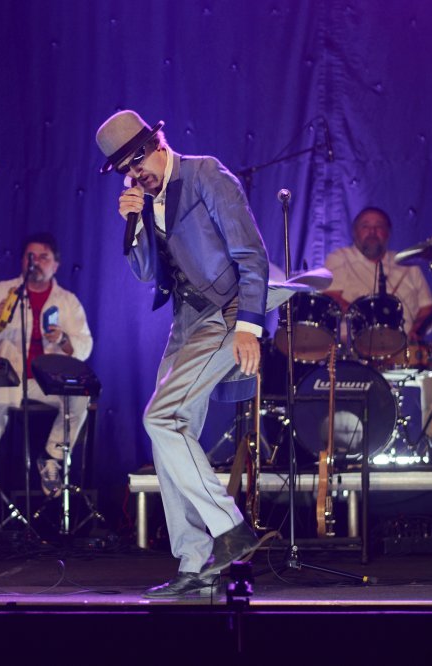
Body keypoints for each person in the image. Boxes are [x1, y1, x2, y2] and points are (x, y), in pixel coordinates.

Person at [95, 110, 267, 598]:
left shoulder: (205, 173)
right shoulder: (146, 197)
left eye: (138, 161)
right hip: (186, 321)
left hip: (226, 311)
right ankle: (195, 562)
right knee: (168, 435)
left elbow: (251, 254)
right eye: (125, 169)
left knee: (161, 418)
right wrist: (133, 224)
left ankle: (231, 529)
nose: (136, 173)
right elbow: (146, 272)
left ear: (158, 143)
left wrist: (249, 326)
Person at [0, 232, 93, 532]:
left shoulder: (67, 301)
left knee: (81, 395)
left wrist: (62, 339)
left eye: (43, 257)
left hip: (45, 383)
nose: (35, 262)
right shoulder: (3, 291)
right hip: (7, 381)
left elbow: (84, 348)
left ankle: (52, 457)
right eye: (30, 257)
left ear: (56, 265)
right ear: (23, 261)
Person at [323, 206, 432, 443]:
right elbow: (331, 298)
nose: (372, 232)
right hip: (356, 349)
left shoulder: (407, 264)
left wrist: (415, 332)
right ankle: (348, 441)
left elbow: (427, 309)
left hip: (401, 348)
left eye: (379, 227)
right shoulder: (339, 260)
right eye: (366, 226)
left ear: (388, 233)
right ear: (354, 232)